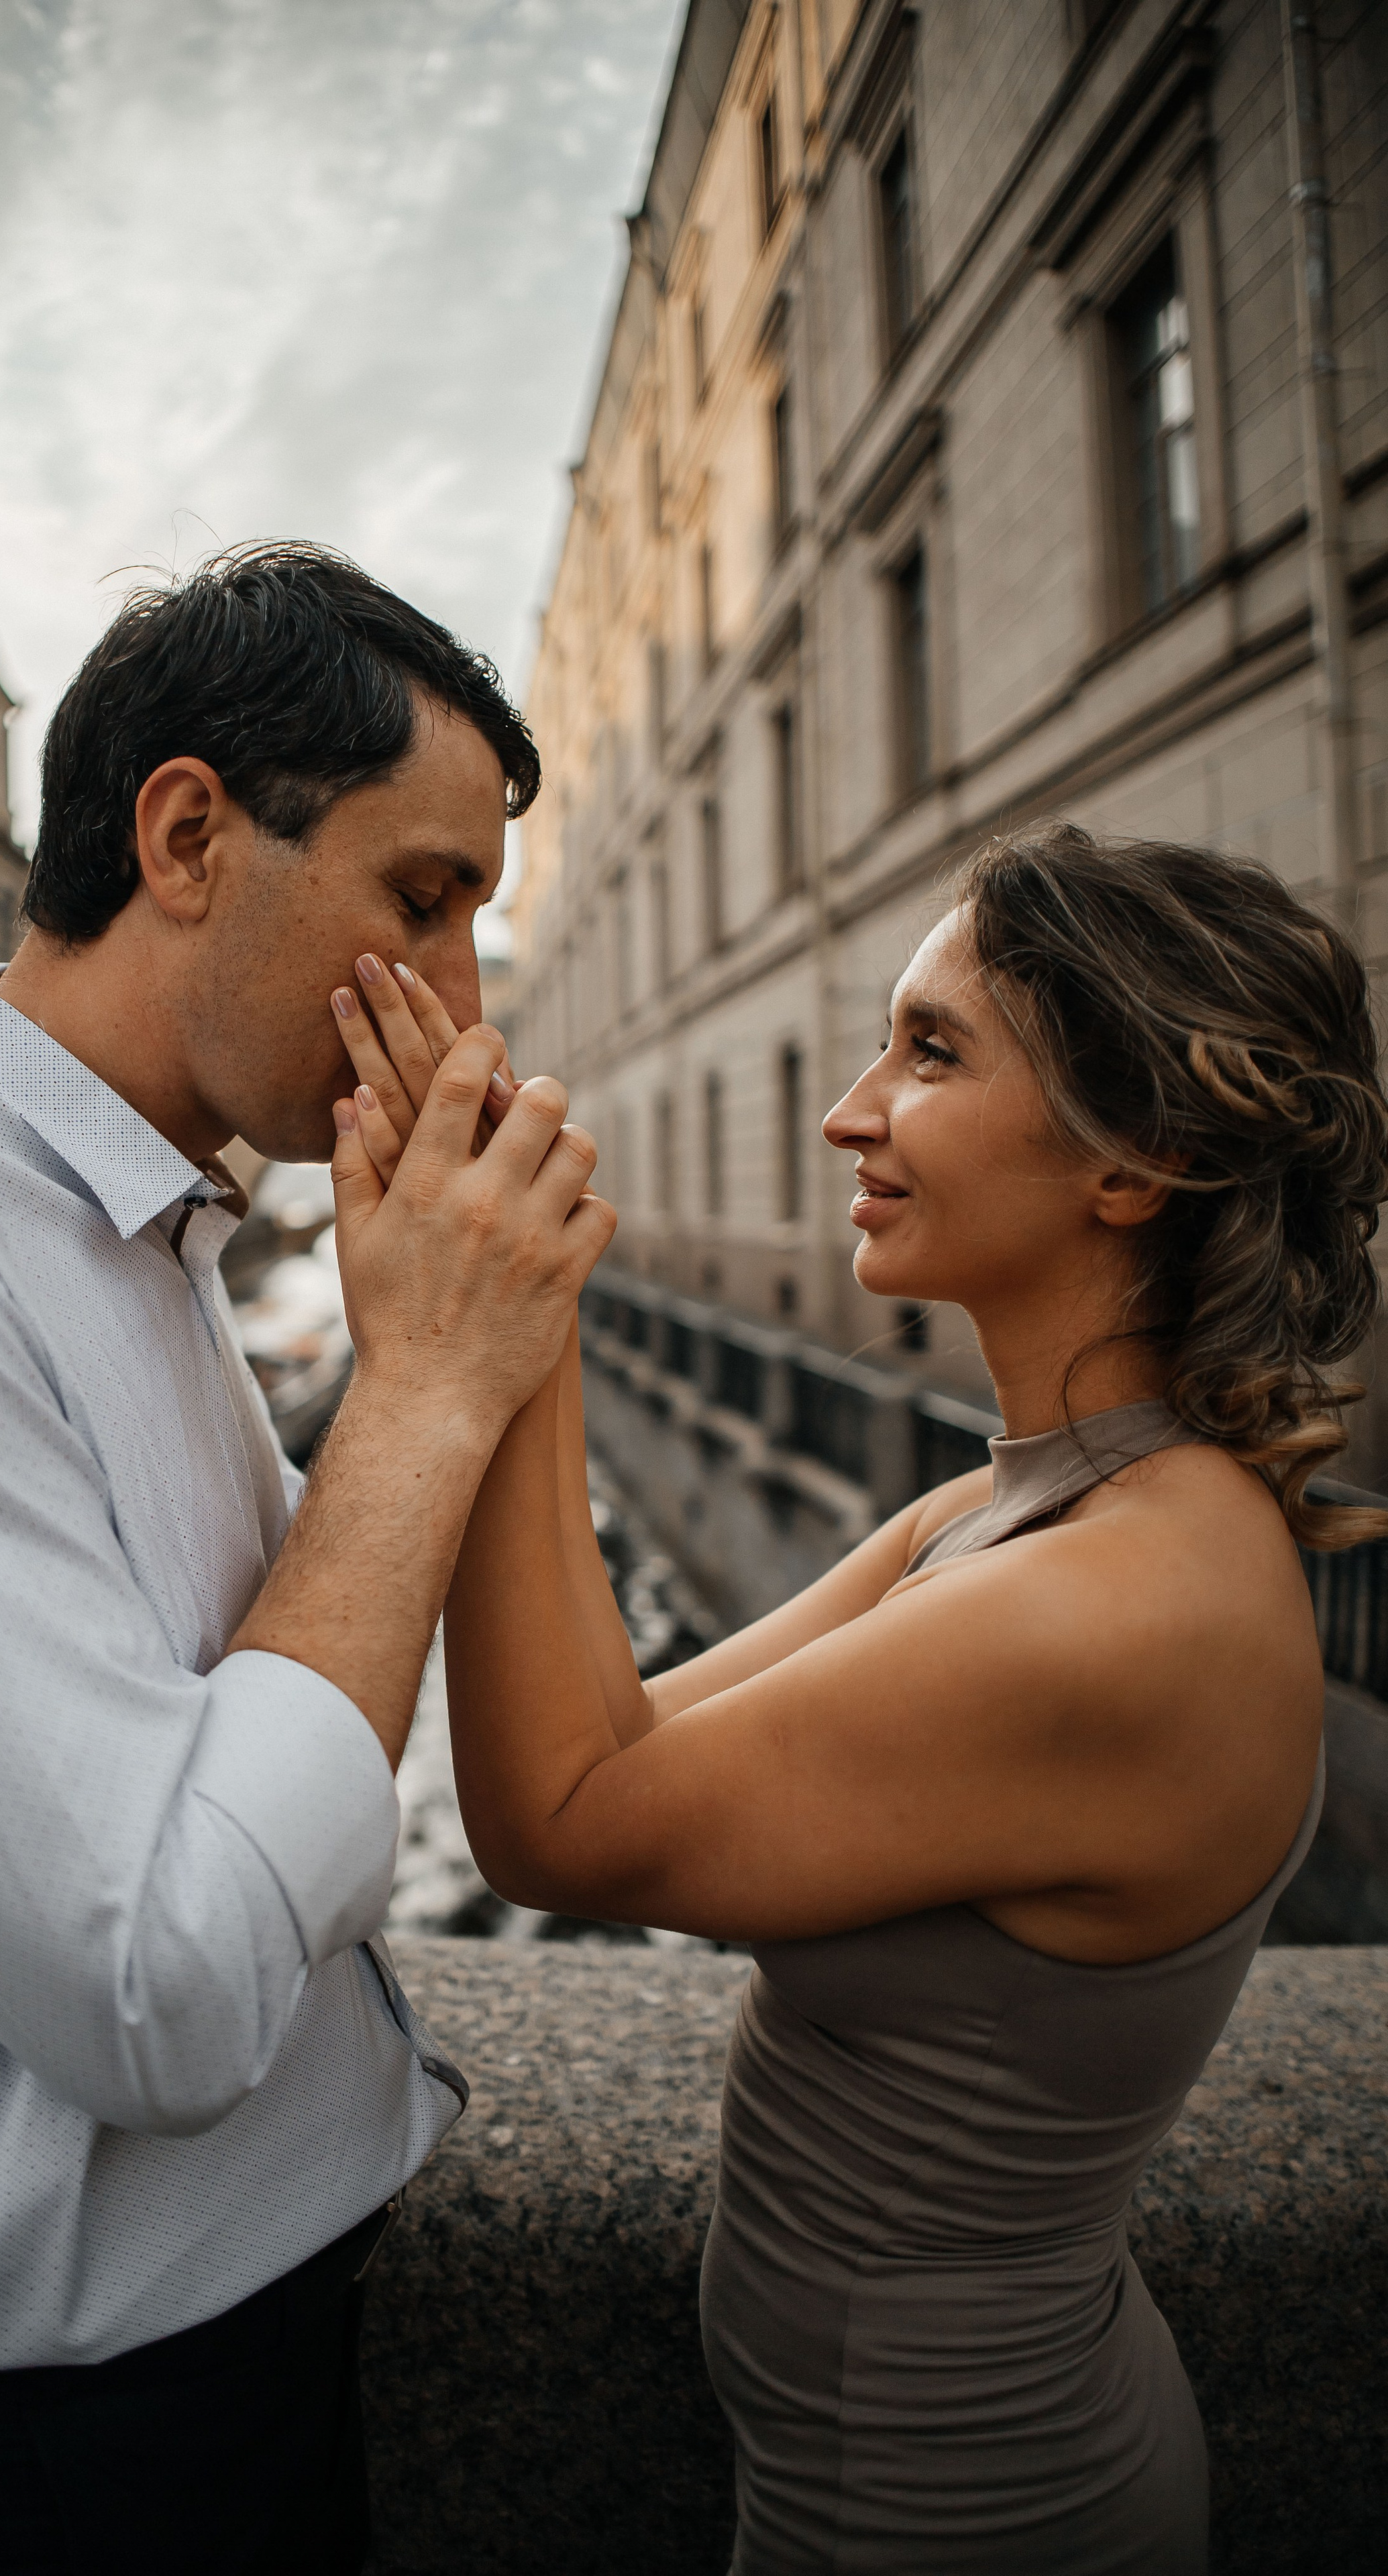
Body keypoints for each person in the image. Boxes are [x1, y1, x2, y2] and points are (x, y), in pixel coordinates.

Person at [0, 542, 612, 2574]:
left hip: (207, 2393)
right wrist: (429, 1385)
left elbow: (297, 1799)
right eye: (424, 898)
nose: (459, 997)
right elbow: (163, 1985)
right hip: (28, 2473)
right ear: (189, 832)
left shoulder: (131, 1220)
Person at [332, 823, 1387, 2575]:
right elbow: (633, 1741)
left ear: (1138, 1161)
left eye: (931, 1050)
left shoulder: (1113, 1604)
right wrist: (505, 1313)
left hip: (970, 2508)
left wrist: (512, 1326)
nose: (850, 1112)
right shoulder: (1017, 1506)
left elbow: (551, 1826)